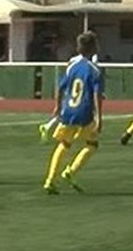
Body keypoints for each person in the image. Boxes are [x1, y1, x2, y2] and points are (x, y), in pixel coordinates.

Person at [43, 31, 106, 194]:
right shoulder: (95, 70)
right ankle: (70, 172)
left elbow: (61, 87)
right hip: (84, 113)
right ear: (93, 47)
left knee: (63, 145)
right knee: (92, 145)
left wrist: (57, 106)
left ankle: (50, 180)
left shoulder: (71, 66)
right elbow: (96, 95)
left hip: (68, 111)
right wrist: (99, 118)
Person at [40, 48, 99, 142]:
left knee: (66, 115)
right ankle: (51, 128)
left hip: (72, 93)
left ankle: (50, 127)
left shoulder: (75, 61)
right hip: (77, 94)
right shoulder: (86, 64)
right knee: (72, 117)